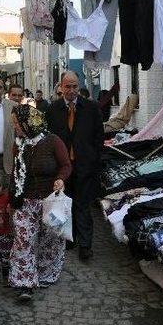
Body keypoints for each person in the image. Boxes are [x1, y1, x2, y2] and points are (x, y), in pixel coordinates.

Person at [9, 104, 71, 301]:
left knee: (49, 241)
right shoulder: (18, 143)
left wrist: (60, 178)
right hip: (25, 201)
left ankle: (43, 274)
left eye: (17, 123)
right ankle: (24, 283)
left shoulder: (53, 141)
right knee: (23, 241)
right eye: (14, 123)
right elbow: (15, 173)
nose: (15, 127)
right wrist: (12, 198)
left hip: (48, 201)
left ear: (29, 123)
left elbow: (66, 165)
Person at [46, 71, 103, 261]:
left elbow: (98, 138)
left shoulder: (92, 108)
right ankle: (69, 239)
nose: (71, 90)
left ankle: (85, 246)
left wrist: (93, 160)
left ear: (79, 87)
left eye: (74, 86)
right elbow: (48, 139)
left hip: (85, 166)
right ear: (61, 87)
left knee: (83, 206)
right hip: (62, 168)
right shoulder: (52, 110)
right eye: (67, 86)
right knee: (65, 204)